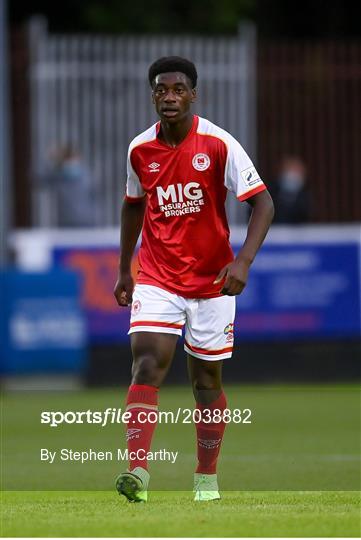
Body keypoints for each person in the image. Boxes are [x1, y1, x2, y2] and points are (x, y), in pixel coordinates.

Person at [113, 56, 274, 503]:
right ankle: (138, 474)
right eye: (161, 90)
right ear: (152, 96)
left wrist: (242, 262)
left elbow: (263, 204)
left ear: (192, 95)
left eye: (178, 89)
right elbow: (133, 205)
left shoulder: (218, 143)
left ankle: (205, 476)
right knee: (147, 361)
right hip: (157, 276)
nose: (169, 96)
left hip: (211, 282)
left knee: (206, 383)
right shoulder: (138, 149)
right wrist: (126, 266)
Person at [269, 156, 310, 224]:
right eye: (290, 169)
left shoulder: (305, 196)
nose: (293, 175)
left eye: (296, 170)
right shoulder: (270, 191)